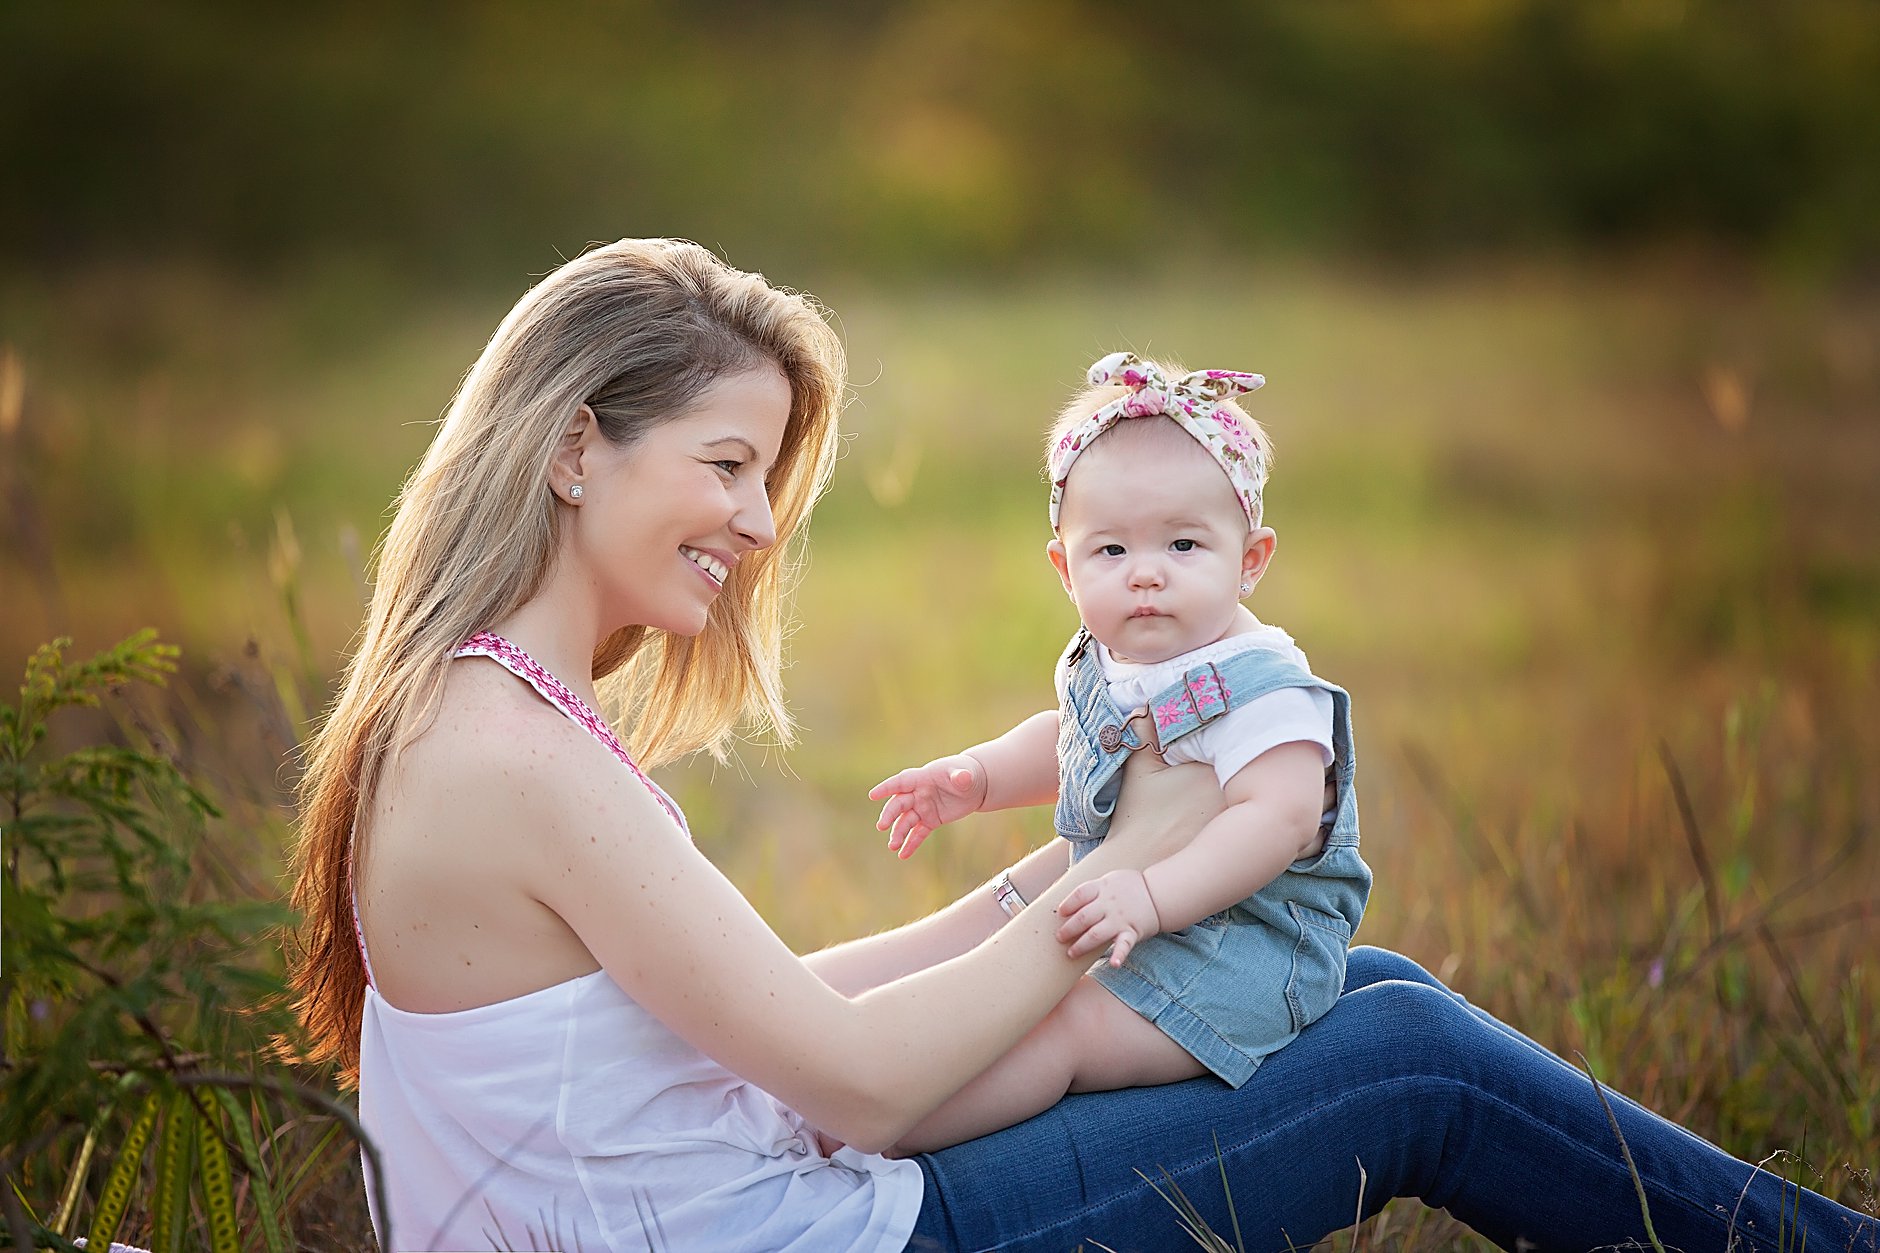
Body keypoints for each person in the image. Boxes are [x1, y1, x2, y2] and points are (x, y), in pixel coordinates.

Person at [284, 238, 1877, 1252]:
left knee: (1361, 989)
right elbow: (862, 1087)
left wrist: (1065, 870)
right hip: (797, 1233)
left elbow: (758, 1013)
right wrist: (1120, 865)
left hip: (738, 1199)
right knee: (1401, 1062)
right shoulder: (519, 758)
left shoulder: (477, 710)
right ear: (574, 447)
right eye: (727, 463)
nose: (760, 523)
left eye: (769, 475)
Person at [870, 352, 1368, 1152]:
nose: (1145, 576)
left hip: (1243, 952)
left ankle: (886, 1139)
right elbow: (1077, 738)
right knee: (997, 990)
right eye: (1111, 552)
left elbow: (1278, 818)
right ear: (1064, 569)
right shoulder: (1119, 656)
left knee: (1057, 1025)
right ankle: (871, 1084)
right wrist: (980, 777)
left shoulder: (1263, 688)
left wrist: (1153, 896)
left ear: (1251, 561)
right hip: (1136, 914)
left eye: (1182, 545)